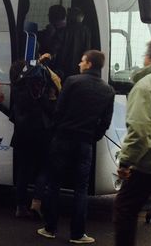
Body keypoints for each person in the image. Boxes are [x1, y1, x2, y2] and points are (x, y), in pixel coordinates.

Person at [37, 50, 114, 244]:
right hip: (85, 143)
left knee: (54, 184)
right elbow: (105, 122)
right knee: (81, 189)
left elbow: (59, 110)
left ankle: (50, 228)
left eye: (82, 61)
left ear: (88, 64)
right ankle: (78, 234)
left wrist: (56, 130)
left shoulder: (72, 82)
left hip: (63, 139)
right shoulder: (108, 91)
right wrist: (92, 136)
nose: (79, 64)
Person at [114, 38, 151, 246]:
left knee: (125, 208)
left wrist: (126, 162)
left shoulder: (147, 84)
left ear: (149, 58)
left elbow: (141, 132)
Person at [9, 55, 59, 218]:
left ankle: (19, 206)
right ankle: (36, 203)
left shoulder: (16, 88)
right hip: (42, 135)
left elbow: (13, 114)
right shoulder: (40, 90)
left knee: (23, 171)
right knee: (44, 168)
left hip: (22, 135)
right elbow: (51, 110)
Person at [57, 7, 92, 78]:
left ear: (71, 17)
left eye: (68, 15)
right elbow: (87, 50)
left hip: (63, 68)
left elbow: (56, 49)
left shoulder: (63, 31)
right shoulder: (86, 31)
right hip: (79, 69)